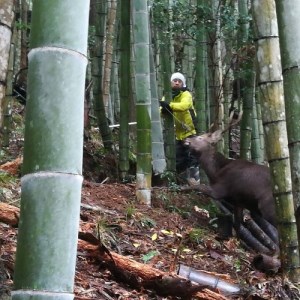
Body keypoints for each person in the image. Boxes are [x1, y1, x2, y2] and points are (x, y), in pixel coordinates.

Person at [159, 72, 199, 183]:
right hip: (176, 134)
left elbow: (183, 106)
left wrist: (169, 106)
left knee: (193, 158)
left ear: (183, 83)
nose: (177, 82)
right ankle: (180, 183)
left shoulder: (186, 94)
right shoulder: (167, 95)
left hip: (190, 132)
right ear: (171, 82)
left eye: (179, 81)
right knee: (178, 159)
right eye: (175, 80)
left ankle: (195, 183)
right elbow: (161, 111)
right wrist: (163, 109)